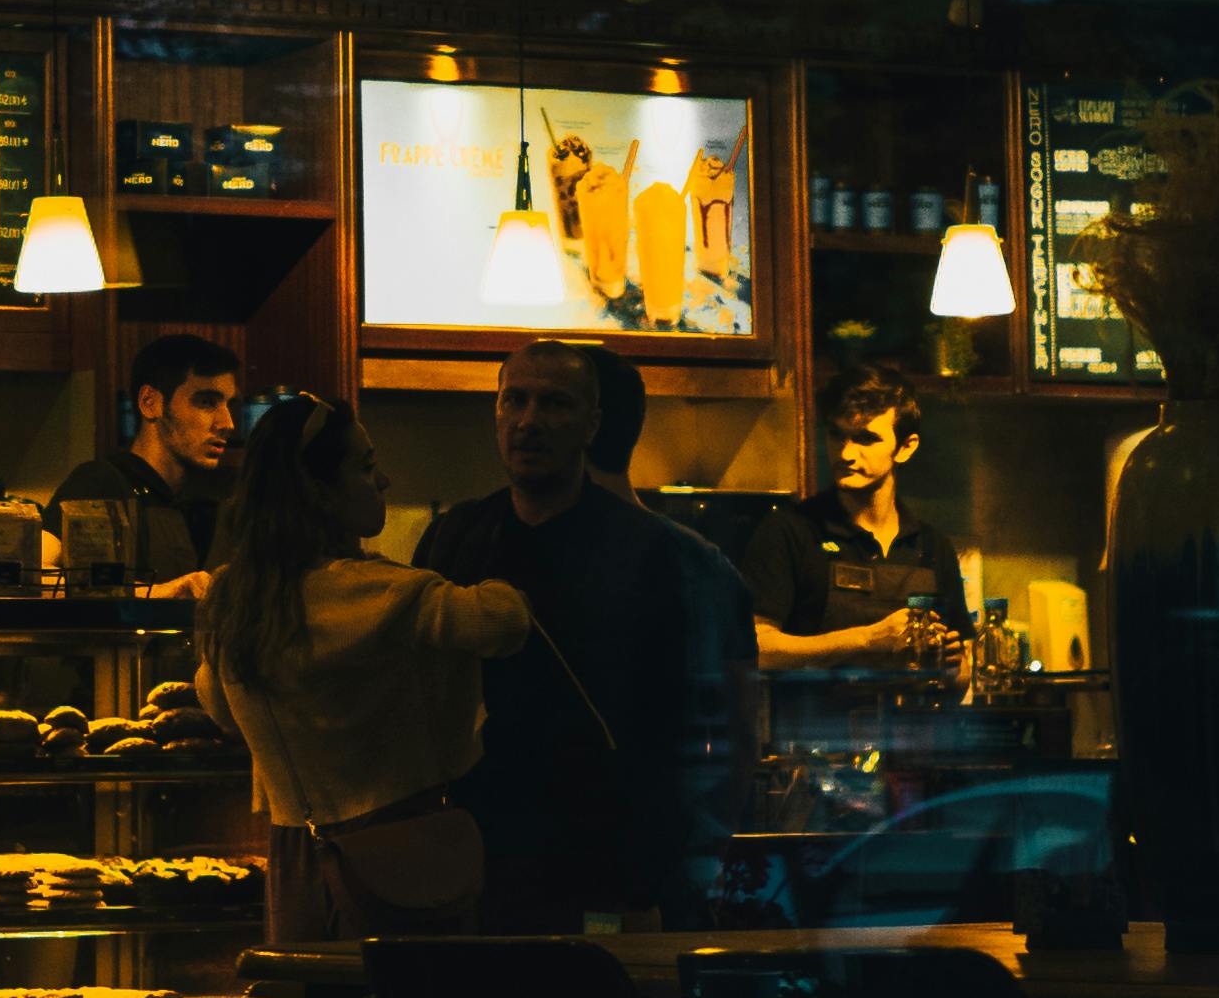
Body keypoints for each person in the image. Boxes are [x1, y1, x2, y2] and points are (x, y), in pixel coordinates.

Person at [413, 339, 720, 925]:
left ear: (592, 424)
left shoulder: (651, 551)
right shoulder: (456, 536)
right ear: (496, 411)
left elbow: (685, 721)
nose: (529, 421)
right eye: (515, 401)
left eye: (555, 404)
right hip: (474, 846)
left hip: (604, 856)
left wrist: (660, 871)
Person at [195, 396, 524, 940]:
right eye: (366, 467)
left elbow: (218, 707)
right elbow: (504, 621)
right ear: (318, 493)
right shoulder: (384, 592)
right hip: (401, 854)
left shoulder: (234, 597)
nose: (385, 481)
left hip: (294, 859)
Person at [587, 349, 756, 865]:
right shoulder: (706, 565)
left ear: (586, 425)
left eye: (550, 404)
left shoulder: (505, 549)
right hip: (673, 852)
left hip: (566, 859)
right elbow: (740, 732)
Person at [740, 365, 970, 670]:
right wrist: (868, 639)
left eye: (865, 439)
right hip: (814, 717)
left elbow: (964, 669)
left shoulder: (932, 547)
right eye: (837, 435)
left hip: (909, 718)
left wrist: (950, 664)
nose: (846, 453)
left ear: (905, 448)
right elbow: (756, 647)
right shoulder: (790, 531)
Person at [50, 332, 239, 596]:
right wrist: (158, 592)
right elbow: (29, 579)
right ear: (150, 403)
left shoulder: (228, 494)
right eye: (206, 402)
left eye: (229, 404)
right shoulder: (101, 483)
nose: (227, 423)